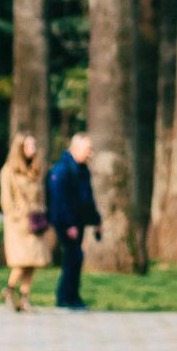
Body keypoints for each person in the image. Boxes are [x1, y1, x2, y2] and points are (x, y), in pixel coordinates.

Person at [0, 134, 53, 312]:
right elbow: (6, 200)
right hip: (18, 224)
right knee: (21, 261)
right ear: (20, 148)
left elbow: (41, 195)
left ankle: (24, 297)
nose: (33, 150)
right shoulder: (9, 170)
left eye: (34, 145)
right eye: (29, 146)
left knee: (33, 262)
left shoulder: (36, 170)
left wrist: (42, 212)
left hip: (35, 222)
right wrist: (18, 215)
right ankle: (9, 289)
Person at [46, 131, 99, 311]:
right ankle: (65, 298)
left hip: (79, 222)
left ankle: (72, 296)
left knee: (75, 258)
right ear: (75, 148)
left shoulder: (82, 169)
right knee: (73, 257)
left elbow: (87, 198)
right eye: (87, 149)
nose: (90, 153)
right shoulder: (62, 170)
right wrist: (68, 224)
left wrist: (96, 220)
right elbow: (58, 200)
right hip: (67, 223)